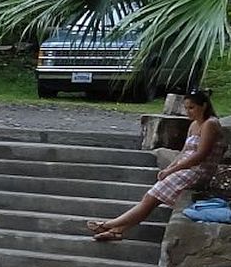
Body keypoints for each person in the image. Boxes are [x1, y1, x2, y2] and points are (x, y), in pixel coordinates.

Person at [90, 90, 224, 241]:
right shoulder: (194, 125)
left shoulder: (210, 124)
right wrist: (169, 168)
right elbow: (183, 152)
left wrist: (173, 170)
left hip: (198, 170)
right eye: (186, 108)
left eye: (191, 108)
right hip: (184, 168)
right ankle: (117, 230)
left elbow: (200, 155)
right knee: (151, 198)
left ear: (204, 106)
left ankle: (109, 224)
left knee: (150, 198)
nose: (188, 112)